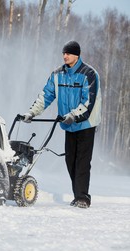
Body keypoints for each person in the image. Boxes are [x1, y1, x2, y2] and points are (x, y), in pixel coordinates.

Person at [22, 40, 102, 208]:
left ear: (76, 55)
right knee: (70, 161)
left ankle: (83, 197)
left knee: (82, 161)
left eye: (68, 53)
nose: (65, 56)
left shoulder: (89, 74)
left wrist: (74, 115)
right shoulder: (58, 74)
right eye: (63, 53)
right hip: (69, 124)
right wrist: (31, 112)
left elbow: (88, 102)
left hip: (86, 123)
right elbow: (46, 96)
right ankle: (77, 195)